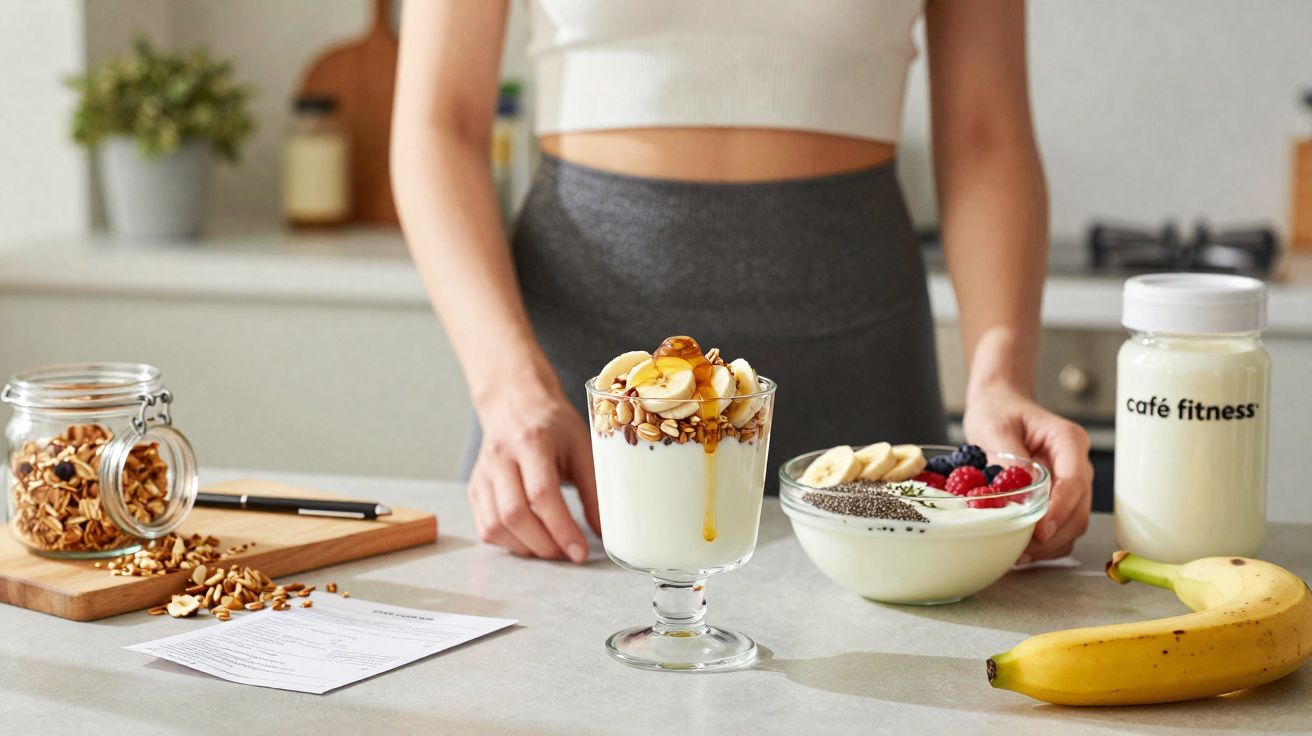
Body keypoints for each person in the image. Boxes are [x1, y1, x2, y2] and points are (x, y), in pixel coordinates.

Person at [392, 1, 1093, 566]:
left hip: (857, 363)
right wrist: (509, 391)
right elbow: (439, 121)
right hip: (575, 387)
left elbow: (985, 135)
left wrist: (999, 380)